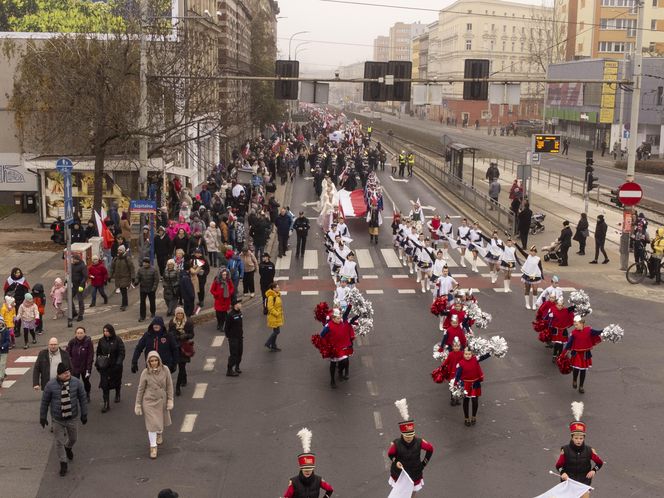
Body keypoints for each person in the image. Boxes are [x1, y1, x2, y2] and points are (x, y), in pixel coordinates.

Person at [39, 362, 88, 476]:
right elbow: (45, 402)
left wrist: (84, 414)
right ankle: (63, 463)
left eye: (68, 372)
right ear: (59, 374)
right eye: (65, 373)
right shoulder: (50, 385)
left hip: (72, 417)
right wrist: (43, 416)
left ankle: (69, 447)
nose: (68, 374)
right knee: (59, 441)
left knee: (73, 439)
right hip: (57, 419)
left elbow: (82, 398)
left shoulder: (76, 382)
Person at [388, 398, 434, 494]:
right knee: (400, 493)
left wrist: (423, 464)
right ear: (402, 435)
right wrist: (396, 462)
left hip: (415, 473)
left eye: (411, 436)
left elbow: (430, 449)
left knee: (412, 493)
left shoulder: (419, 441)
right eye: (406, 436)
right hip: (400, 474)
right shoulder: (396, 444)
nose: (409, 438)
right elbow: (390, 454)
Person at [134, 351, 174, 459]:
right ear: (148, 362)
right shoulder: (145, 373)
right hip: (149, 401)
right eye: (151, 361)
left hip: (161, 400)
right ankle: (153, 447)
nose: (154, 363)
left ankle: (159, 432)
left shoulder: (165, 370)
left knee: (159, 422)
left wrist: (170, 400)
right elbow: (140, 389)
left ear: (159, 360)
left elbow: (169, 386)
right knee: (152, 425)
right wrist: (138, 404)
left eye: (156, 360)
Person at [556, 402, 604, 489]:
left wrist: (594, 470)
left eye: (581, 438)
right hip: (568, 482)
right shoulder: (565, 450)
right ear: (572, 438)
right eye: (576, 438)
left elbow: (599, 463)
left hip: (584, 482)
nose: (579, 440)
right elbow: (558, 465)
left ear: (584, 438)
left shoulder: (589, 450)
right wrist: (563, 473)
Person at [281, 428, 334, 498]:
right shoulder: (294, 482)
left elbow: (330, 490)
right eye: (305, 469)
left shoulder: (318, 480)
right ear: (301, 468)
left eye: (309, 469)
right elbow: (287, 497)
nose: (308, 471)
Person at [562, 315, 603, 393]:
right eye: (575, 325)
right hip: (576, 354)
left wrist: (606, 330)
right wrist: (563, 353)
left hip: (585, 355)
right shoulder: (573, 333)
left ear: (582, 323)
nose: (575, 326)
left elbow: (597, 332)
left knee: (583, 371)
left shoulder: (589, 330)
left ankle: (581, 386)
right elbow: (569, 344)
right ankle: (574, 380)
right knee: (576, 369)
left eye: (577, 324)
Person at [319, 307, 355, 388]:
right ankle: (332, 380)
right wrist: (326, 345)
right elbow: (322, 335)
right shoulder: (328, 326)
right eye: (338, 318)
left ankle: (340, 371)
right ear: (333, 318)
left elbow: (346, 315)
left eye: (340, 318)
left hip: (343, 346)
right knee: (333, 363)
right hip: (334, 348)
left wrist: (350, 305)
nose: (340, 320)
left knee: (345, 361)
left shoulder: (342, 322)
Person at [454, 348, 491, 426]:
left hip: (475, 383)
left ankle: (474, 416)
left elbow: (484, 357)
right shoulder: (461, 364)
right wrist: (455, 384)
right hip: (465, 385)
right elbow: (457, 375)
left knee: (475, 401)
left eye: (469, 354)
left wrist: (491, 352)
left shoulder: (475, 359)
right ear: (463, 354)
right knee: (466, 401)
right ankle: (466, 418)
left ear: (472, 354)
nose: (467, 356)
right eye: (466, 354)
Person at [95, 323, 125, 412]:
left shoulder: (117, 340)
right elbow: (98, 353)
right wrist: (98, 364)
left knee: (116, 381)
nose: (105, 333)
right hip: (105, 367)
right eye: (104, 331)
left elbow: (121, 352)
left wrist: (118, 363)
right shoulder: (101, 341)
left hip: (115, 366)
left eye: (107, 331)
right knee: (105, 385)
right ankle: (106, 404)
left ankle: (117, 393)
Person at [169, 307, 194, 396]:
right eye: (178, 314)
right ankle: (184, 378)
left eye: (181, 313)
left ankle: (177, 387)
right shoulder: (172, 323)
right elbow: (170, 334)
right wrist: (176, 337)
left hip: (184, 347)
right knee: (179, 366)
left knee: (182, 366)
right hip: (176, 347)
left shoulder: (188, 322)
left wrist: (185, 335)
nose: (179, 315)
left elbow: (192, 335)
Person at [66, 326, 94, 402]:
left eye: (81, 333)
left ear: (84, 333)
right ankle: (77, 395)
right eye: (78, 333)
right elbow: (67, 353)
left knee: (86, 382)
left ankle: (87, 393)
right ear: (75, 334)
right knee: (75, 383)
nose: (79, 335)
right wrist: (70, 364)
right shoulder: (72, 342)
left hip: (85, 367)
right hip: (75, 367)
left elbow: (90, 356)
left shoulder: (88, 342)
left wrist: (88, 369)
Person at [516, 244, 543, 310]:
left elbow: (540, 267)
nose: (532, 252)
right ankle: (527, 304)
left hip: (535, 276)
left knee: (535, 290)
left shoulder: (538, 259)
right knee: (527, 289)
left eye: (533, 251)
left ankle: (534, 304)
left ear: (536, 252)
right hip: (527, 275)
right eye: (531, 251)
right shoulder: (528, 256)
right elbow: (521, 251)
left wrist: (542, 275)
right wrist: (516, 244)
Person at [110, 245, 135, 311]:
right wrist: (109, 276)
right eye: (118, 250)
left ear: (123, 251)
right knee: (122, 291)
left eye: (120, 250)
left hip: (125, 277)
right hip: (118, 278)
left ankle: (124, 305)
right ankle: (125, 303)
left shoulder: (127, 258)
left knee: (123, 291)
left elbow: (131, 268)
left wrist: (133, 277)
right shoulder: (116, 259)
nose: (119, 251)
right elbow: (112, 268)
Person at [136, 257, 159, 322]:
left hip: (151, 289)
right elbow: (138, 277)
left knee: (152, 302)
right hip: (143, 289)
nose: (145, 264)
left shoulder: (153, 270)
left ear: (149, 263)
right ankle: (142, 316)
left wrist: (154, 288)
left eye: (146, 263)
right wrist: (136, 282)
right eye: (144, 262)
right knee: (142, 303)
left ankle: (153, 312)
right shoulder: (140, 270)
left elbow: (156, 280)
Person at [224, 300, 244, 377]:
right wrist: (230, 336)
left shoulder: (240, 313)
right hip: (233, 338)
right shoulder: (230, 315)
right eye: (239, 303)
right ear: (235, 305)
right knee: (234, 354)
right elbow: (226, 327)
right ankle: (229, 370)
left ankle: (237, 367)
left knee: (240, 353)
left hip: (240, 337)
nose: (241, 304)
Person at [264, 282, 284, 352]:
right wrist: (277, 313)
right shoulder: (271, 297)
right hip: (274, 316)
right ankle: (268, 343)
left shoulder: (277, 295)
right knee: (276, 331)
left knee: (276, 331)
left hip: (277, 316)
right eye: (277, 287)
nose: (279, 288)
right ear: (273, 288)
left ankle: (273, 345)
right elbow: (270, 308)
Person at [0, 318, 10, 387]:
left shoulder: (6, 331)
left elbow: (7, 341)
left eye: (0, 323)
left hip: (4, 350)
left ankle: (1, 378)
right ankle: (3, 373)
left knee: (2, 364)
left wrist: (3, 346)